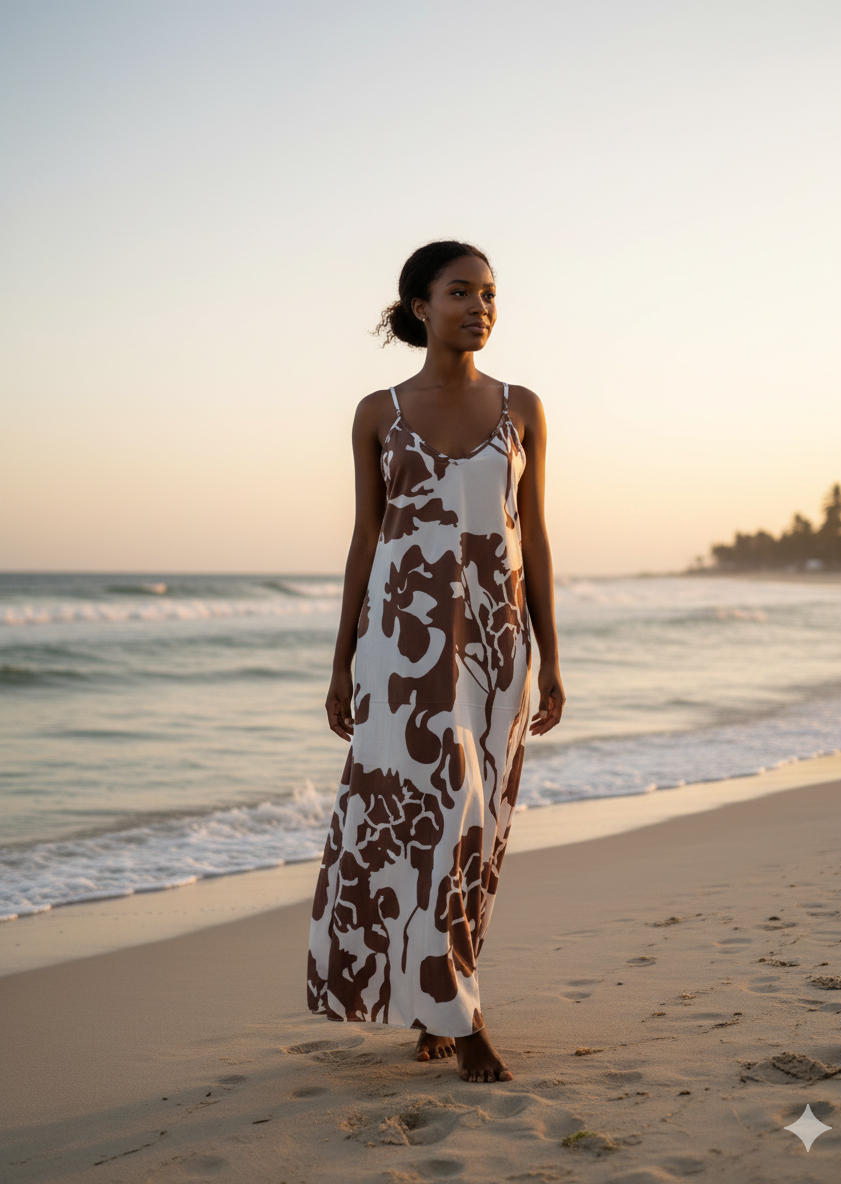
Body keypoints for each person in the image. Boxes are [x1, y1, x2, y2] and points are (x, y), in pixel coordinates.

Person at [307, 240, 564, 1083]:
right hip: (399, 651)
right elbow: (362, 540)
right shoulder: (375, 412)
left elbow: (536, 538)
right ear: (420, 306)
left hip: (496, 645)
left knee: (476, 831)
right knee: (432, 818)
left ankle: (434, 997)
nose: (480, 306)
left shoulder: (522, 406)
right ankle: (463, 1017)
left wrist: (551, 655)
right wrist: (342, 662)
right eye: (461, 292)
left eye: (489, 294)